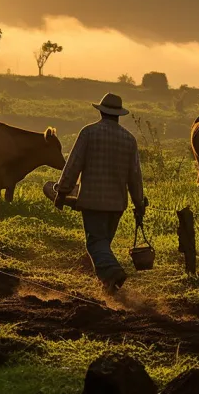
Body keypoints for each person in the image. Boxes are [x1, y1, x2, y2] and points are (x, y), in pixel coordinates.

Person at [53, 93, 147, 293]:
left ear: (102, 111)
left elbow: (73, 164)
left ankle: (113, 273)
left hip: (92, 201)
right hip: (116, 205)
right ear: (119, 115)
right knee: (103, 243)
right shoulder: (129, 140)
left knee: (95, 244)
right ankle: (108, 289)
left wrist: (62, 192)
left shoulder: (89, 133)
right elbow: (135, 176)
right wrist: (139, 203)